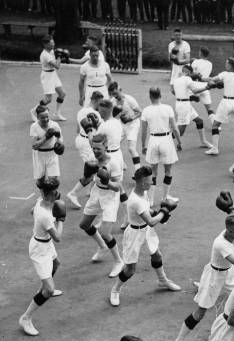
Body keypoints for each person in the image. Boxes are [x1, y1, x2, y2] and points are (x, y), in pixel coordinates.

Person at [171, 214, 234, 341]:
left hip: (228, 273)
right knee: (200, 313)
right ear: (230, 231)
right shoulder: (221, 243)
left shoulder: (232, 233)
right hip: (214, 278)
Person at [109, 166, 181, 307]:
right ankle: (115, 289)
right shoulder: (136, 200)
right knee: (130, 269)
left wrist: (157, 213)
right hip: (134, 233)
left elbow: (148, 213)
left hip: (146, 230)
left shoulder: (143, 193)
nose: (151, 183)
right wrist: (164, 211)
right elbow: (152, 222)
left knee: (157, 255)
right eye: (149, 182)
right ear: (142, 183)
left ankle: (162, 280)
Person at [19, 177, 65, 336]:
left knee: (56, 264)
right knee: (50, 290)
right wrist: (61, 219)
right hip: (39, 249)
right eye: (56, 192)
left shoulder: (40, 201)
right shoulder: (45, 215)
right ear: (50, 194)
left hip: (45, 242)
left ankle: (43, 288)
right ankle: (26, 318)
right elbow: (58, 237)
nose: (58, 193)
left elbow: (32, 211)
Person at [78, 133, 125, 279]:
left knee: (106, 233)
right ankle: (102, 246)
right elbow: (85, 181)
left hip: (110, 197)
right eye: (93, 148)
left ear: (106, 146)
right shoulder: (92, 160)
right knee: (84, 224)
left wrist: (107, 182)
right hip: (96, 193)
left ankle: (118, 261)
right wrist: (86, 174)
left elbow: (118, 187)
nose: (95, 151)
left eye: (98, 148)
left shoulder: (114, 163)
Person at [140, 86, 183, 204]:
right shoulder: (168, 108)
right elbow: (174, 128)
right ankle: (165, 198)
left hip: (153, 140)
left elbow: (143, 131)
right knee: (168, 171)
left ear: (150, 97)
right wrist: (179, 142)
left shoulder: (146, 110)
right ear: (161, 96)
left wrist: (143, 145)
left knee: (153, 172)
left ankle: (151, 201)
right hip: (166, 140)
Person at [66, 91, 104, 210]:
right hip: (88, 143)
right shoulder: (94, 114)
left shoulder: (81, 111)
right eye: (100, 103)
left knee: (97, 168)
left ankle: (90, 190)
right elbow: (96, 131)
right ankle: (73, 193)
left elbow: (78, 129)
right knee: (93, 169)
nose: (101, 105)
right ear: (96, 100)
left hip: (81, 140)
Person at [203, 57, 234, 156]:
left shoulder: (224, 74)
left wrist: (201, 78)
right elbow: (229, 82)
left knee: (215, 125)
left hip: (226, 103)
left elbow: (212, 80)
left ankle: (215, 149)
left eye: (227, 63)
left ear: (231, 65)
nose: (225, 65)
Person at [171, 64, 213, 150]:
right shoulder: (188, 79)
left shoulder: (176, 80)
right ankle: (165, 140)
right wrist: (206, 87)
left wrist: (189, 98)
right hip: (184, 106)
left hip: (183, 104)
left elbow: (173, 91)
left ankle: (203, 141)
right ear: (188, 72)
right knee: (181, 131)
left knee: (199, 121)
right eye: (190, 73)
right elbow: (195, 90)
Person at [30, 35, 66, 122]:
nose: (53, 44)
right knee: (48, 100)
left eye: (53, 42)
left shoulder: (51, 51)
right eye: (51, 43)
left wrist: (60, 57)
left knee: (62, 94)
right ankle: (33, 111)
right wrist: (60, 57)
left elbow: (55, 65)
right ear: (45, 45)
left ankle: (57, 113)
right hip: (47, 76)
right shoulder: (45, 55)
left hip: (53, 74)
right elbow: (57, 66)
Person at [109, 81, 143, 170]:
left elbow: (140, 112)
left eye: (116, 94)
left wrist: (130, 118)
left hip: (133, 125)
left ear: (119, 89)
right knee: (114, 144)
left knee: (131, 149)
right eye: (113, 95)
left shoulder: (129, 99)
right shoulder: (113, 102)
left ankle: (138, 171)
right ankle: (122, 164)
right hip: (121, 125)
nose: (115, 96)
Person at [29, 105, 63, 180]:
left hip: (52, 154)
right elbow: (34, 146)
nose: (46, 119)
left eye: (47, 116)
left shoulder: (55, 125)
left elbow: (60, 140)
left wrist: (60, 145)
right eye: (43, 117)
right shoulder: (34, 127)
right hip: (39, 156)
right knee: (40, 181)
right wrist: (46, 137)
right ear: (37, 117)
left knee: (54, 180)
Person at [190, 47, 216, 123]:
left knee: (183, 101)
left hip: (195, 85)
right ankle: (215, 126)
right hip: (205, 86)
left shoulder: (195, 62)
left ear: (200, 53)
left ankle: (194, 116)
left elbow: (191, 73)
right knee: (209, 108)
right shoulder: (210, 64)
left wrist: (192, 62)